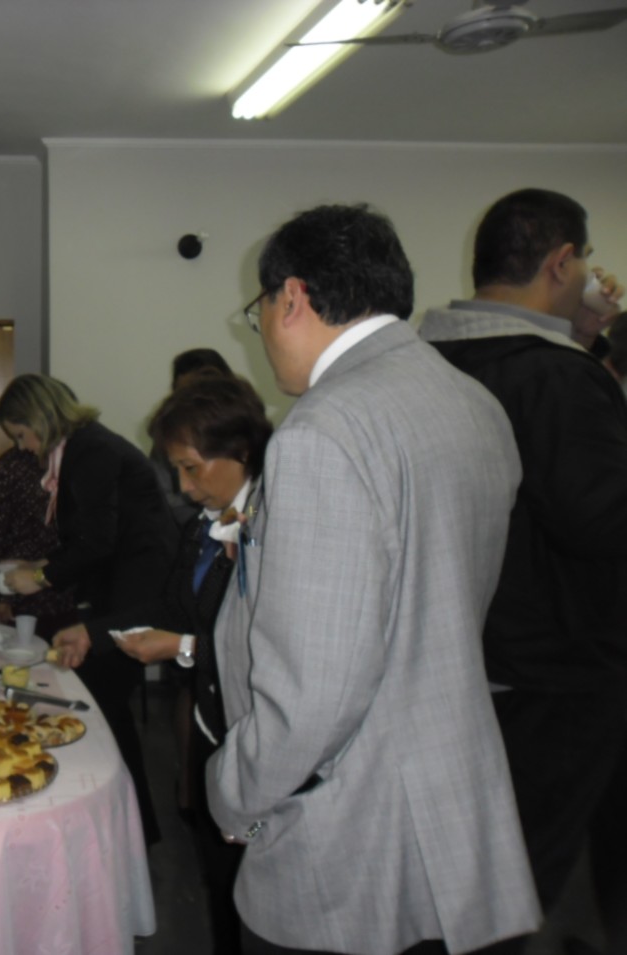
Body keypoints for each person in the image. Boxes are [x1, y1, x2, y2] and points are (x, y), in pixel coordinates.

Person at [208, 203, 538, 955]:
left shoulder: (325, 429)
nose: (261, 333)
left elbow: (313, 694)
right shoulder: (472, 402)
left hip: (348, 832)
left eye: (258, 311)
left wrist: (233, 790)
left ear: (292, 298)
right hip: (448, 794)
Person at [418, 189, 627, 951]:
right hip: (559, 673)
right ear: (562, 262)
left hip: (462, 658)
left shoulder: (430, 362)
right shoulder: (557, 378)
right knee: (530, 880)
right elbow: (601, 520)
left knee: (474, 870)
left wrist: (583, 340)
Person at [112, 371, 273, 955]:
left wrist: (178, 647)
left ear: (242, 452)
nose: (182, 487)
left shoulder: (273, 524)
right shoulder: (208, 526)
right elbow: (175, 605)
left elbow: (266, 650)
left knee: (252, 892)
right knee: (217, 877)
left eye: (191, 468)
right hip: (212, 726)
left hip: (258, 738)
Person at [0, 373, 176, 845]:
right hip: (128, 589)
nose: (23, 448)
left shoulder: (90, 452)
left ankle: (128, 827)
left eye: (22, 435)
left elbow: (97, 542)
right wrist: (40, 566)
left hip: (140, 593)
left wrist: (40, 578)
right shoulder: (83, 448)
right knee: (104, 704)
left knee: (103, 704)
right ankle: (130, 825)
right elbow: (88, 539)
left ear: (40, 418)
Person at [0, 446, 77, 634]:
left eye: (22, 435)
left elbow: (89, 542)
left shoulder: (78, 459)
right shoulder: (13, 464)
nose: (22, 445)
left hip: (69, 595)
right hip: (16, 595)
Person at [152, 348, 235, 527]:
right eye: (181, 394)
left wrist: (235, 517)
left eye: (190, 467)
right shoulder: (167, 443)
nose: (185, 486)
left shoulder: (251, 443)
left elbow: (256, 510)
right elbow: (164, 501)